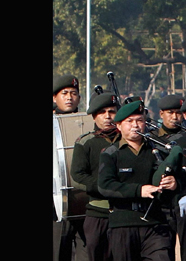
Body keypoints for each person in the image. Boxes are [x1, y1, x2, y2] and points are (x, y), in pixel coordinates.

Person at [97, 100, 180, 261]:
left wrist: (174, 184)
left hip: (156, 223)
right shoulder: (110, 154)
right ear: (119, 126)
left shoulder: (159, 151)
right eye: (129, 121)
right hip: (123, 224)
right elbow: (105, 186)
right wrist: (139, 190)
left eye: (140, 120)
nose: (135, 125)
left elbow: (182, 179)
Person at [152, 94, 186, 261]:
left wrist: (179, 183)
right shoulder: (152, 138)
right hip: (160, 203)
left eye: (178, 113)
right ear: (161, 114)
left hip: (182, 200)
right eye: (170, 113)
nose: (175, 117)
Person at [71, 92, 121, 261]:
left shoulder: (127, 141)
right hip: (97, 212)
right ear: (94, 116)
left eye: (112, 111)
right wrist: (103, 186)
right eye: (102, 112)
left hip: (125, 212)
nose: (108, 116)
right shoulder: (86, 142)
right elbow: (77, 176)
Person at [53, 74, 88, 261]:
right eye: (64, 93)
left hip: (84, 202)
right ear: (54, 98)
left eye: (73, 93)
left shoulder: (87, 122)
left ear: (79, 98)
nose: (69, 97)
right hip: (56, 205)